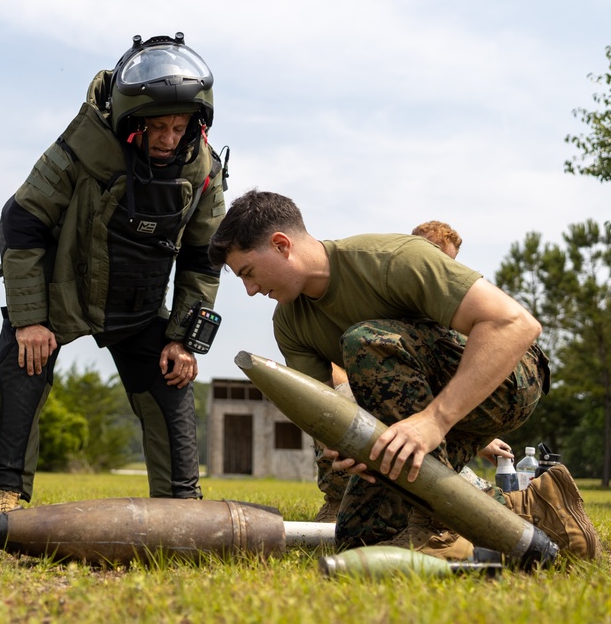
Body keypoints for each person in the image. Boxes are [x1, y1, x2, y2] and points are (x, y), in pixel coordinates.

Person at [207, 190, 601, 560]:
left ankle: (439, 526)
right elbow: (330, 407)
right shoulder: (290, 323)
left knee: (364, 341)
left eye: (248, 272)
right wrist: (346, 448)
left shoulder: (390, 259)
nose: (250, 290)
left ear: (281, 245)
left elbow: (516, 325)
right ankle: (538, 509)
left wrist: (435, 420)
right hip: (422, 408)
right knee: (359, 539)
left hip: (509, 380)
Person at [0, 33, 228, 513]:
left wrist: (184, 339)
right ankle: (4, 493)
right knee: (21, 359)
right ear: (131, 119)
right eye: (157, 127)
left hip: (139, 303)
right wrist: (30, 318)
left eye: (179, 127)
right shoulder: (83, 145)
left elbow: (203, 257)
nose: (169, 139)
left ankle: (181, 504)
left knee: (172, 377)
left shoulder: (203, 169)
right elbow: (22, 219)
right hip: (62, 293)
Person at [314, 220, 512, 522]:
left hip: (411, 427)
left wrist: (476, 438)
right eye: (433, 257)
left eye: (449, 263)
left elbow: (434, 389)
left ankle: (506, 503)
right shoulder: (386, 289)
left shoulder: (440, 310)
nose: (443, 269)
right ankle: (340, 501)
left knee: (441, 483)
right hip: (362, 407)